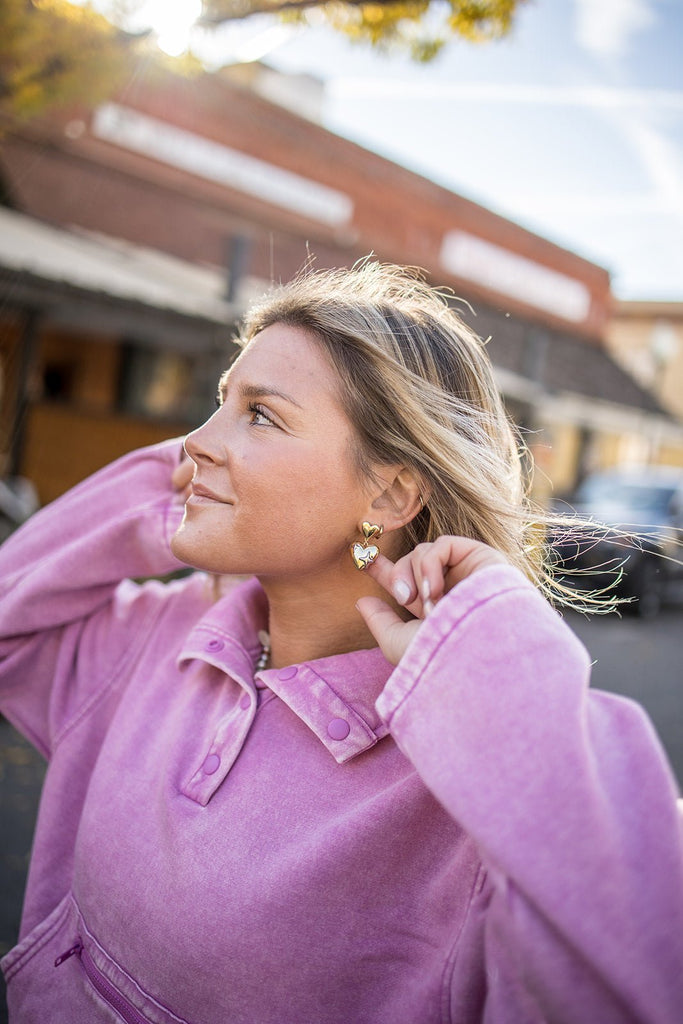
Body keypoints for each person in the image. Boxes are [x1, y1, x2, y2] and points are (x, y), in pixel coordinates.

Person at [0, 261, 681, 1024]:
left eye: (260, 415)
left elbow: (640, 978)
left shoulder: (470, 804)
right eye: (220, 402)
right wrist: (184, 503)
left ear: (389, 493)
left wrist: (493, 656)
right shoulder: (160, 637)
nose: (191, 442)